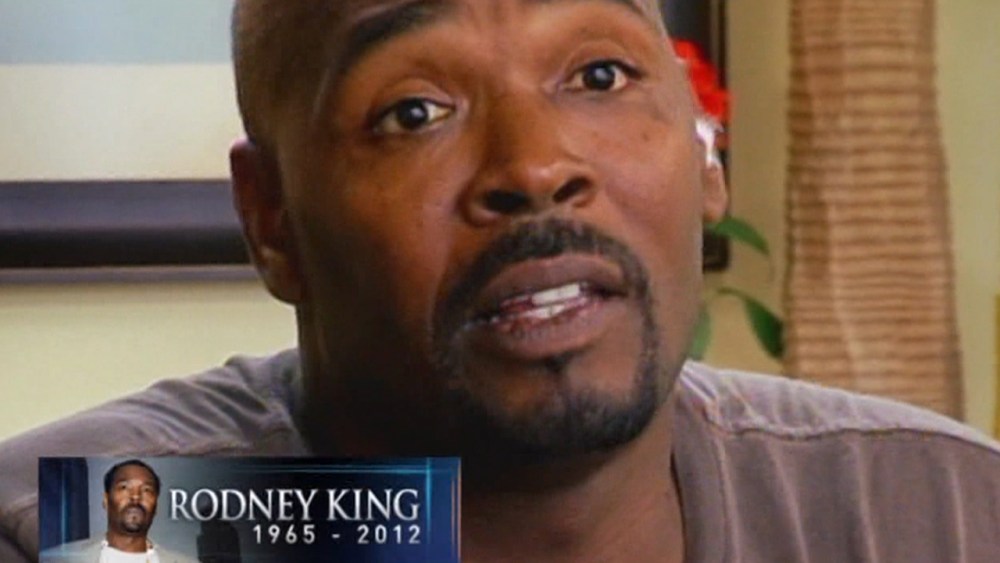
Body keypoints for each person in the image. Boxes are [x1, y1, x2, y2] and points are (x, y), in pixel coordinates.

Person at [2, 0, 999, 561]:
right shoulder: (91, 527)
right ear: (272, 220)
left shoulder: (944, 513)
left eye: (599, 76)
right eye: (414, 113)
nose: (533, 166)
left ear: (705, 153)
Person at [39, 460, 195, 562]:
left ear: (156, 506)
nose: (135, 497)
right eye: (124, 487)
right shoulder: (55, 559)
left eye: (147, 490)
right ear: (106, 500)